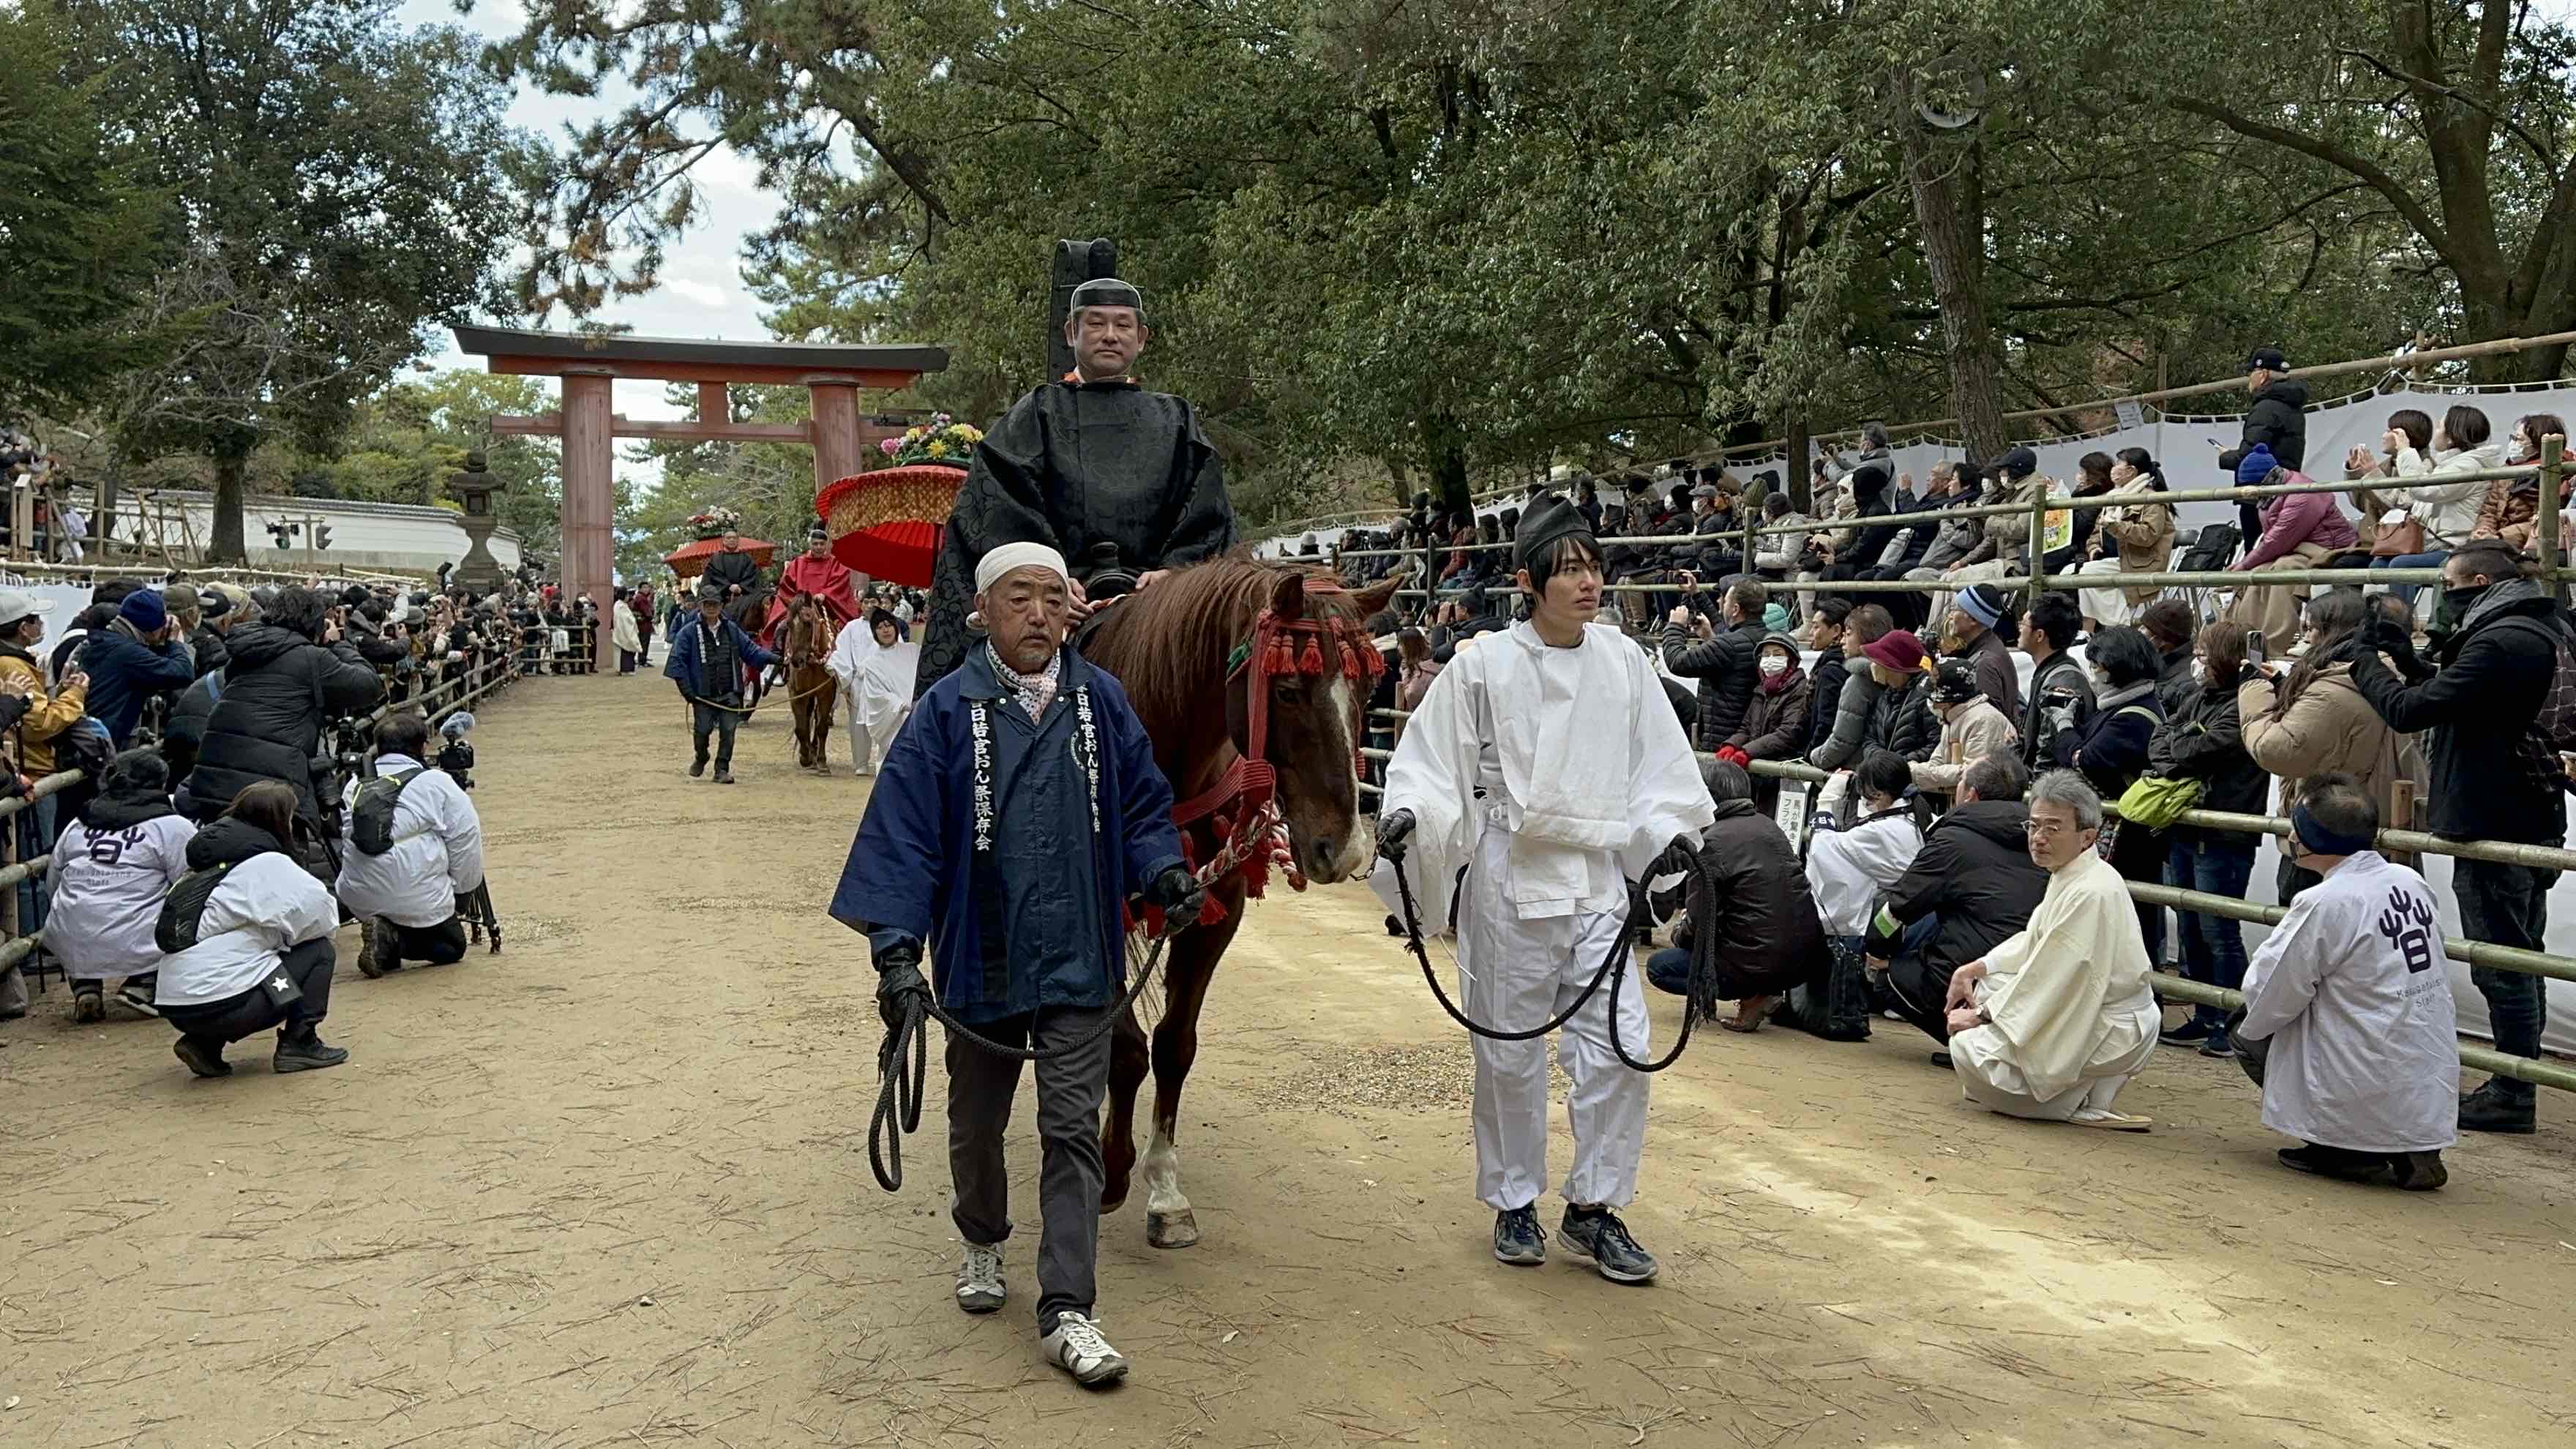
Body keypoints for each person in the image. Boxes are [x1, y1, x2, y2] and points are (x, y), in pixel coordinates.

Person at [828, 542, 1198, 1388]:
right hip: (981, 953)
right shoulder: (944, 712)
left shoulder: (1101, 701)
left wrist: (1165, 869)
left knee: (1072, 1126)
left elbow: (1143, 805)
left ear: (1071, 610)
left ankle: (1068, 1307)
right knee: (975, 1124)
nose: (1038, 613)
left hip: (1080, 951)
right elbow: (906, 839)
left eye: (1051, 599)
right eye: (1018, 598)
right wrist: (894, 954)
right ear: (982, 614)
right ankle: (982, 1238)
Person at [1374, 495, 1715, 1284]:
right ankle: (1514, 1198)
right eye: (1569, 571)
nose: (1588, 584)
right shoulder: (1485, 665)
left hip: (1595, 877)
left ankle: (1595, 1208)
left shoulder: (1625, 662)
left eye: (1593, 567)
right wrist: (1409, 819)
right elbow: (1433, 766)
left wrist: (1664, 833)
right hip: (1512, 872)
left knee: (1622, 1048)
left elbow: (1656, 769)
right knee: (1508, 1051)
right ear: (1529, 580)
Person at [916, 277, 1238, 694]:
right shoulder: (1036, 413)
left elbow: (1207, 513)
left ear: (1141, 338)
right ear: (1072, 333)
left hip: (1159, 600)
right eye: (1096, 323)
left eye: (1122, 325)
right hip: (1056, 598)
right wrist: (1047, 577)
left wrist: (1174, 575)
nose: (1109, 336)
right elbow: (999, 506)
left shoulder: (1176, 419)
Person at [2342, 541, 2564, 1134]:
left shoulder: (2499, 640)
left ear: (2480, 581)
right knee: (2521, 953)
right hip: (2529, 810)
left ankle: (2514, 1091)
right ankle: (2518, 1083)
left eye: (2450, 582)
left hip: (2495, 813)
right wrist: (2407, 660)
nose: (2445, 593)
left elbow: (2413, 711)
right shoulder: (2538, 626)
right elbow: (2470, 700)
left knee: (2503, 961)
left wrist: (2365, 664)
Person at [2234, 774, 2455, 1190]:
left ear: (2307, 837)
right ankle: (2408, 1143)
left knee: (2247, 1030)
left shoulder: (2326, 901)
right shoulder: (2409, 880)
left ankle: (2344, 1149)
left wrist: (2259, 1019)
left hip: (2365, 1053)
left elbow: (2272, 986)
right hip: (2421, 1052)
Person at [1939, 771, 2160, 1129]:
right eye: (2034, 826)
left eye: (2053, 828)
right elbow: (2035, 940)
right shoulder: (2073, 872)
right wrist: (1975, 968)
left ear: (2088, 837)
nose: (2039, 839)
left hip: (2114, 1026)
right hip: (2095, 1011)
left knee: (1967, 1050)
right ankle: (2081, 1093)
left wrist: (1980, 1018)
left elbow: (2054, 979)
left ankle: (2068, 1101)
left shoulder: (2092, 890)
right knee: (1990, 982)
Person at [2237, 589, 2422, 901]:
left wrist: (2253, 689)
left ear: (2331, 631)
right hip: (2375, 831)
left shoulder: (2332, 692)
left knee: (2313, 943)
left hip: (2327, 838)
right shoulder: (2382, 675)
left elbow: (2275, 749)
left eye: (2310, 628)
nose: (2304, 638)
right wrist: (2286, 689)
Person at [156, 782, 348, 1077]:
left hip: (177, 1004)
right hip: (229, 1004)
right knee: (318, 952)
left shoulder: (203, 866)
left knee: (248, 966)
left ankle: (205, 1042)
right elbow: (322, 915)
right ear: (280, 819)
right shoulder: (265, 862)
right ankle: (301, 1041)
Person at [1869, 752, 2048, 1061]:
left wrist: (1875, 948)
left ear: (1970, 795)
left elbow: (1900, 906)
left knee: (1889, 977)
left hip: (1979, 974)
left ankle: (1969, 1045)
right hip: (2039, 976)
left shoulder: (1952, 841)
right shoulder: (2044, 838)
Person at [2146, 625, 2269, 1055]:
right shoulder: (2197, 698)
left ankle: (2233, 1023)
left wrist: (2180, 750)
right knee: (2192, 927)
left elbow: (2209, 748)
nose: (2197, 662)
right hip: (2183, 827)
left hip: (2224, 833)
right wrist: (2178, 754)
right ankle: (2203, 1013)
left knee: (2220, 929)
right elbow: (2163, 738)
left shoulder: (2249, 704)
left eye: (2203, 653)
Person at [184, 585, 386, 842]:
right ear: (313, 623)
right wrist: (339, 643)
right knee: (279, 860)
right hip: (271, 788)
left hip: (215, 777)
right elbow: (368, 686)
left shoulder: (247, 648)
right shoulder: (310, 657)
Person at [1642, 759, 1827, 1032]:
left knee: (1659, 967)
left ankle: (1754, 995)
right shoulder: (1768, 826)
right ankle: (1763, 990)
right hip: (1803, 959)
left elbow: (1699, 924)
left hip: (1758, 961)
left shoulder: (1710, 843)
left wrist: (1679, 933)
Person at [48, 750, 192, 1022]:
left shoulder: (77, 824)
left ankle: (85, 985)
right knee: (191, 899)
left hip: (71, 934)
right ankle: (144, 983)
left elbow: (53, 881)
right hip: (137, 938)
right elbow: (190, 885)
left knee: (80, 910)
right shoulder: (172, 826)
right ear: (161, 784)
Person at [337, 711, 484, 978]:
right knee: (452, 947)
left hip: (359, 896)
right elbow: (466, 841)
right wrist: (461, 895)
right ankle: (393, 939)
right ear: (423, 746)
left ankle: (383, 937)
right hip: (415, 898)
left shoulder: (355, 784)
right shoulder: (435, 783)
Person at [1801, 749, 1923, 1029]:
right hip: (1916, 915)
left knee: (1849, 917)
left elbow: (1825, 850)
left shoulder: (1885, 830)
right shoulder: (1915, 816)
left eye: (1866, 794)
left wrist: (1827, 800)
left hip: (1903, 920)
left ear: (1879, 794)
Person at [0, 590, 87, 962]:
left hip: (23, 765)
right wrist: (74, 696)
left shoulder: (17, 663)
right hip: (30, 769)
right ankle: (33, 947)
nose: (40, 625)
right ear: (23, 628)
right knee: (32, 865)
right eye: (36, 619)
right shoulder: (14, 668)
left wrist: (54, 690)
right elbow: (40, 723)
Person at [2367, 404, 2502, 613]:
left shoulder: (2469, 466)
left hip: (2453, 546)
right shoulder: (2451, 463)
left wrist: (2404, 451)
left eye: (2440, 427)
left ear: (2451, 437)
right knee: (2379, 564)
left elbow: (2426, 490)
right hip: (2432, 543)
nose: (2435, 434)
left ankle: (2400, 627)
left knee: (2401, 565)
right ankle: (2378, 623)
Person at [2225, 443, 2358, 644]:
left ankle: (2273, 645)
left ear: (2261, 481)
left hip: (2329, 550)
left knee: (2283, 571)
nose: (2247, 493)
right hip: (2299, 549)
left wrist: (2243, 564)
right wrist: (2247, 567)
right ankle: (2243, 641)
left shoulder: (2301, 494)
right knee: (2259, 572)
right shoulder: (2270, 494)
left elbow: (2277, 540)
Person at [664, 585, 779, 785]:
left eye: (715, 604)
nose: (711, 608)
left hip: (729, 690)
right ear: (700, 606)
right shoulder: (689, 632)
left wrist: (776, 658)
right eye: (707, 604)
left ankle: (722, 769)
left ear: (721, 606)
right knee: (702, 730)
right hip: (702, 693)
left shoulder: (731, 629)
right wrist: (686, 690)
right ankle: (701, 757)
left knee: (728, 732)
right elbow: (676, 661)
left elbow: (751, 651)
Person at [2220, 345, 2310, 554]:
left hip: (2260, 494)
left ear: (2262, 374)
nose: (2249, 379)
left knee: (2257, 554)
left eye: (2251, 373)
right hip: (2284, 489)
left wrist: (2226, 457)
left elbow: (2250, 456)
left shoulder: (2266, 407)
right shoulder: (2292, 406)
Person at [79, 587, 196, 747]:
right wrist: (175, 642)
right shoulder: (128, 654)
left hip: (90, 741)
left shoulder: (107, 640)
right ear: (153, 629)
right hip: (100, 747)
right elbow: (183, 673)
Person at [2073, 449, 2176, 628]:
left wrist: (2116, 527)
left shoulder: (2151, 498)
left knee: (2087, 573)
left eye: (2119, 464)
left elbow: (2148, 535)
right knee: (2069, 572)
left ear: (2131, 471)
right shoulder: (2115, 496)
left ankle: (2116, 627)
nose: (2114, 469)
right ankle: (2092, 629)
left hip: (2140, 562)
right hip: (2116, 559)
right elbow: (2097, 531)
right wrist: (2094, 547)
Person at [1663, 578, 1769, 751]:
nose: (1721, 604)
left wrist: (1675, 626)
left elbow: (1677, 661)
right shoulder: (1768, 637)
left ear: (1735, 609)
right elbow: (1730, 654)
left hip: (1722, 739)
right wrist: (1710, 638)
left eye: (1725, 600)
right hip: (1751, 737)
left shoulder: (1728, 644)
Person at [1911, 658, 2018, 807]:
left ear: (1946, 701)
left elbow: (1972, 773)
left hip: (1985, 807)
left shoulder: (1983, 720)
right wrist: (1916, 772)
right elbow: (1938, 761)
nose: (1931, 703)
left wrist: (1916, 772)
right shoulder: (1952, 718)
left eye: (1932, 698)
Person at [1721, 629, 1814, 799]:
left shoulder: (1800, 689)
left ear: (1791, 660)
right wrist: (1732, 745)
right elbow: (1747, 727)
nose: (1771, 659)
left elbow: (1788, 733)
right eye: (1766, 655)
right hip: (1758, 772)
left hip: (1782, 773)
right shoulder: (1761, 689)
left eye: (1777, 654)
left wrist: (1748, 752)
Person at [828, 608, 919, 776]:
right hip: (894, 717)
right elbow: (878, 696)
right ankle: (861, 763)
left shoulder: (913, 650)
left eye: (888, 625)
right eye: (880, 627)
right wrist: (901, 705)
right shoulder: (871, 664)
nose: (885, 630)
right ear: (874, 633)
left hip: (918, 714)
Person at [2470, 412, 2570, 555]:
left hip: (2528, 549)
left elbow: (2544, 522)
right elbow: (2489, 510)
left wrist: (2500, 537)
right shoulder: (2506, 472)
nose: (2513, 443)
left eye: (2519, 440)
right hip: (2494, 544)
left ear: (2537, 446)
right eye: (2513, 438)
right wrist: (2483, 532)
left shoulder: (2559, 475)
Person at [1807, 603, 1891, 769]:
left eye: (1849, 634)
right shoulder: (1893, 674)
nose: (1843, 641)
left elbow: (1843, 740)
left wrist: (1815, 757)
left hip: (1856, 769)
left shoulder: (1858, 682)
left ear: (1867, 637)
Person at [2018, 592, 2093, 771]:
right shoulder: (2054, 670)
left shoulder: (2061, 684)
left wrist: (2035, 794)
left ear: (2040, 635)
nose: (2019, 629)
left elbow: (2049, 755)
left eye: (2024, 623)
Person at [766, 525, 865, 650]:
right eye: (815, 544)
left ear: (827, 545)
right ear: (810, 545)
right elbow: (786, 585)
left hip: (828, 608)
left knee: (847, 632)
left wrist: (826, 594)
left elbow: (840, 581)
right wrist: (800, 600)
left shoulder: (835, 563)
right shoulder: (798, 563)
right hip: (800, 607)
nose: (819, 547)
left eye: (822, 544)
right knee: (781, 629)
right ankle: (777, 661)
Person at [1942, 583, 2021, 722]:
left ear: (1973, 619)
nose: (1951, 616)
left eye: (1956, 610)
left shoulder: (1985, 663)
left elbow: (1987, 723)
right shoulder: (1988, 647)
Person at [1802, 599, 1852, 757]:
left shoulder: (1832, 670)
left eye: (1816, 627)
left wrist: (1809, 755)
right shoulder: (1835, 661)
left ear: (1836, 630)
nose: (1811, 633)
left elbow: (1826, 722)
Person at [2139, 598, 2198, 718]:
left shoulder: (2185, 685)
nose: (2139, 631)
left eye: (2145, 628)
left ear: (2162, 640)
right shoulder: (2156, 661)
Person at [700, 528, 765, 603]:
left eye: (734, 538)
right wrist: (728, 587)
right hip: (721, 600)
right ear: (723, 540)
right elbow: (714, 577)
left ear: (738, 540)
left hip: (745, 599)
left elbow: (752, 576)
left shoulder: (747, 558)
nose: (732, 540)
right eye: (729, 538)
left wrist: (742, 587)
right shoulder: (716, 559)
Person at [610, 585, 643, 675]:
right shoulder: (621, 606)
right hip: (624, 631)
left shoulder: (620, 605)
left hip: (622, 630)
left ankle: (625, 669)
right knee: (626, 650)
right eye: (627, 595)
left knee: (627, 651)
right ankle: (625, 670)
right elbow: (626, 619)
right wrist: (634, 619)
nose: (629, 597)